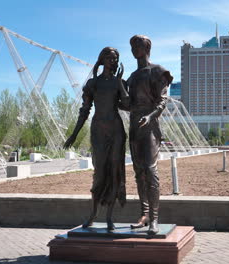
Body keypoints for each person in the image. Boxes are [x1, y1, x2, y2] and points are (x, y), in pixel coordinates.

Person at [63, 47, 129, 231]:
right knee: (99, 174)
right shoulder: (93, 84)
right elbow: (84, 110)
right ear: (102, 59)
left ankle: (109, 217)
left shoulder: (119, 82)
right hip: (99, 131)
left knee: (115, 171)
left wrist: (120, 84)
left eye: (116, 58)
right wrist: (74, 134)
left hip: (116, 130)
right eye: (109, 57)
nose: (113, 60)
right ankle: (93, 214)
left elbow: (127, 104)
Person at [127, 35, 173, 235]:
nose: (134, 49)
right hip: (134, 127)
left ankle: (154, 219)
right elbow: (127, 104)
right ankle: (144, 214)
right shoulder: (132, 77)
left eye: (138, 45)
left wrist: (149, 116)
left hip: (150, 126)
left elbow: (162, 101)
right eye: (132, 46)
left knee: (150, 170)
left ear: (147, 48)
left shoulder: (157, 71)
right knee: (139, 173)